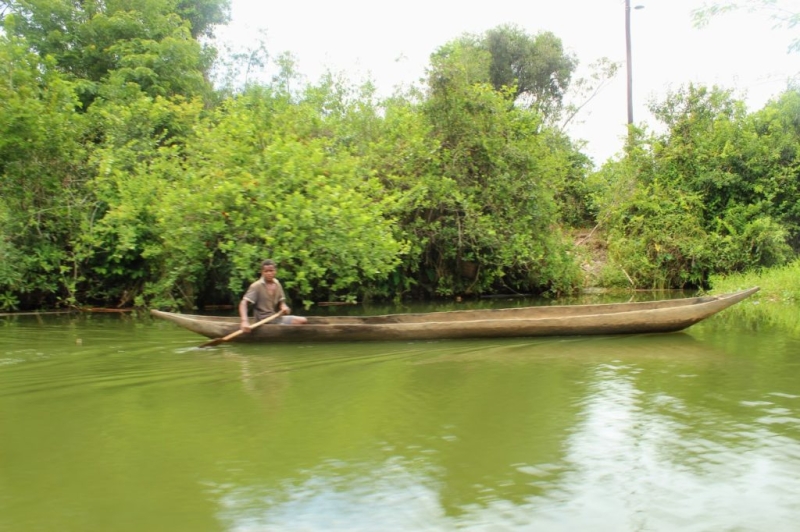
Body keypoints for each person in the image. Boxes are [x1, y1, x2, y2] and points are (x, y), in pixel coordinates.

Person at [239, 260, 308, 332]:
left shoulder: (277, 284)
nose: (269, 273)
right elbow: (243, 303)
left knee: (303, 320)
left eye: (271, 271)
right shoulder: (256, 286)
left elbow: (281, 302)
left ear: (275, 271)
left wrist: (284, 307)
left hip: (275, 318)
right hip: (262, 321)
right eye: (266, 271)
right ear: (262, 272)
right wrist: (244, 321)